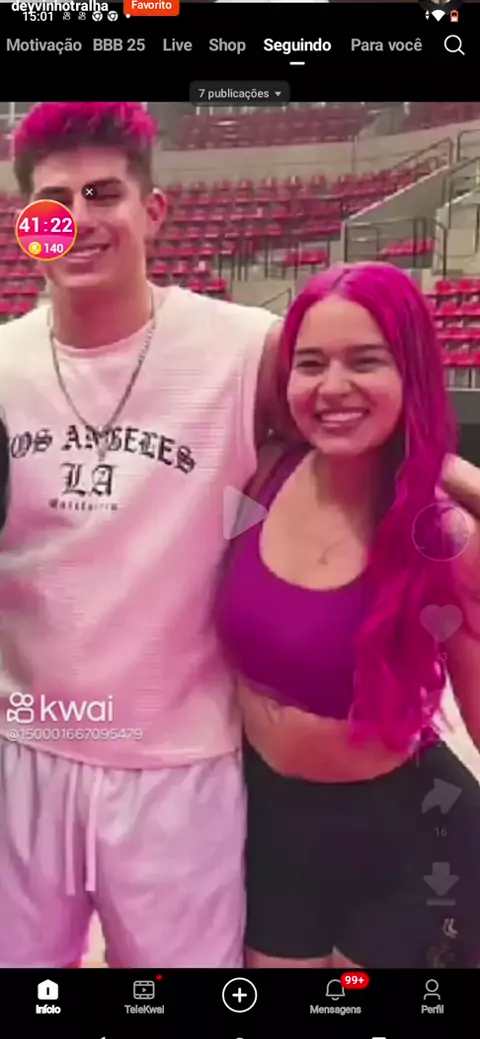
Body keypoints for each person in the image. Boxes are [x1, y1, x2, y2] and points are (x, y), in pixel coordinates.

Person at [0, 101, 284, 969]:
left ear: (154, 210)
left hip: (178, 765)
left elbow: (376, 435)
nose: (78, 220)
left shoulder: (246, 351)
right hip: (22, 753)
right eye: (54, 202)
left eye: (103, 194)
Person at [216, 262, 480, 969]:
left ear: (411, 372)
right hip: (270, 826)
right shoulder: (258, 475)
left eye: (365, 361)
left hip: (410, 843)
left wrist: (441, 468)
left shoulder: (444, 535)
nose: (332, 387)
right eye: (311, 364)